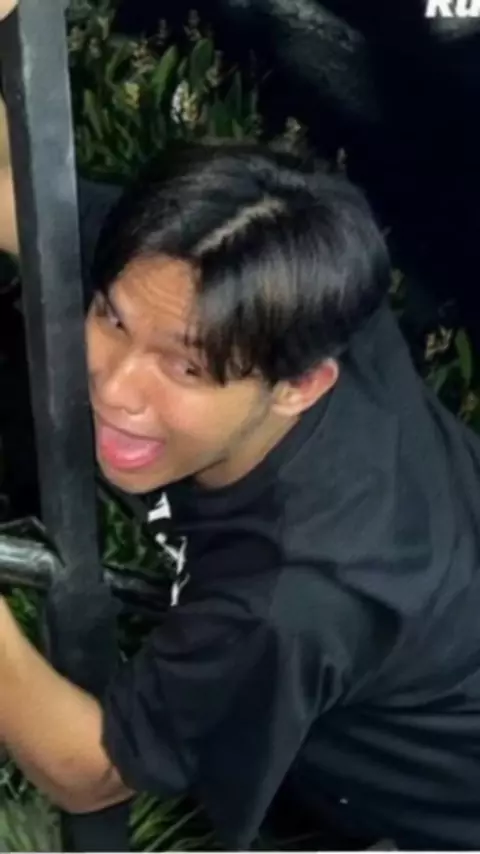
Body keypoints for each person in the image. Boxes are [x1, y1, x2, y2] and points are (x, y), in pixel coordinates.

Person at [3, 3, 480, 851]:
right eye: (111, 319)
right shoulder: (255, 280)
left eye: (186, 369)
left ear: (300, 386)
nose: (114, 387)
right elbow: (15, 203)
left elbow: (90, 768)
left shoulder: (290, 595)